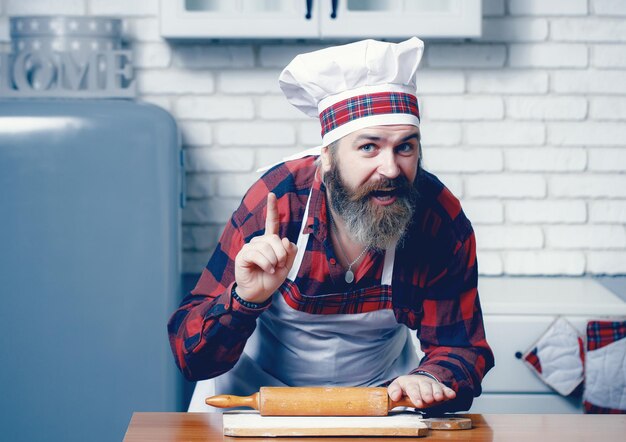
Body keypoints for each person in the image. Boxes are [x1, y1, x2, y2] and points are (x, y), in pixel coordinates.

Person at [168, 37, 494, 413]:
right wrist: (243, 300)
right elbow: (190, 357)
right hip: (253, 400)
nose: (390, 169)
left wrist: (431, 379)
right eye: (369, 147)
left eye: (405, 147)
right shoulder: (279, 202)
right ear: (328, 158)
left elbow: (460, 347)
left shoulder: (437, 219)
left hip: (381, 402)